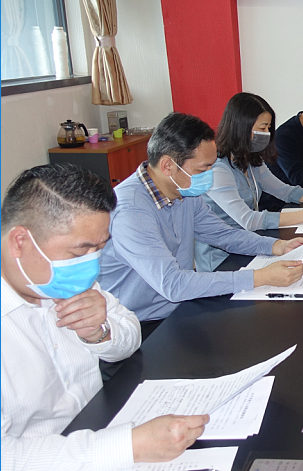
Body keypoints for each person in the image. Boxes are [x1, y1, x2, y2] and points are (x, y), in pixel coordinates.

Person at [1, 164, 208, 471]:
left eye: (99, 249)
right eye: (78, 253)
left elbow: (130, 334)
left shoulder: (62, 280)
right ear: (20, 242)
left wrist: (101, 333)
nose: (92, 266)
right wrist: (128, 446)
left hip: (100, 427)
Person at [99, 112, 303, 338]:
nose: (209, 176)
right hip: (141, 325)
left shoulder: (183, 190)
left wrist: (276, 246)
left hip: (179, 307)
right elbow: (173, 284)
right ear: (168, 166)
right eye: (202, 169)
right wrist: (261, 277)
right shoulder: (130, 210)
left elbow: (221, 234)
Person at [196, 92, 303, 272]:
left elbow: (284, 190)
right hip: (222, 259)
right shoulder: (218, 169)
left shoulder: (250, 160)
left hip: (251, 244)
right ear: (242, 127)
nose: (267, 133)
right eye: (263, 127)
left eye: (268, 127)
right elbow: (249, 220)